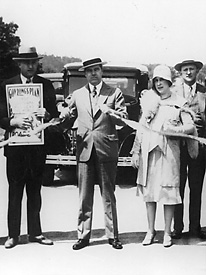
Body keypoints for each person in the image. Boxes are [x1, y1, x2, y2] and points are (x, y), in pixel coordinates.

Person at [60, 57, 128, 250]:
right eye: (89, 71)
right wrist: (61, 115)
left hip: (106, 149)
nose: (93, 74)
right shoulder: (78, 94)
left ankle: (112, 235)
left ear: (101, 71)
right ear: (85, 74)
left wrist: (113, 113)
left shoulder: (114, 93)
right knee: (84, 196)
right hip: (84, 150)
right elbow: (67, 116)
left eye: (96, 70)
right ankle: (83, 235)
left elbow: (124, 120)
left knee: (108, 195)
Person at [0, 46, 59, 249]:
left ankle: (35, 232)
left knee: (35, 191)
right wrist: (12, 122)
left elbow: (55, 116)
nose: (31, 66)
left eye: (34, 62)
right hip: (15, 148)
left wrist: (48, 115)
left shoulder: (46, 85)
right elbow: (0, 117)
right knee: (15, 192)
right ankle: (13, 235)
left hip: (36, 148)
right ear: (19, 64)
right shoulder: (7, 86)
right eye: (27, 63)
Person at [131, 65, 195, 247]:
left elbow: (191, 126)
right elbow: (140, 129)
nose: (159, 84)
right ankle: (150, 231)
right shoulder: (149, 101)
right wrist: (136, 151)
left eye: (162, 80)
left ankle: (167, 232)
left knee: (168, 193)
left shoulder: (179, 102)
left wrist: (176, 129)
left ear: (169, 82)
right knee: (150, 194)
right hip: (149, 153)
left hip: (170, 155)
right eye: (156, 80)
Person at [172, 60, 206, 239]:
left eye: (191, 69)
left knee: (196, 187)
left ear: (197, 71)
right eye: (185, 70)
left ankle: (195, 228)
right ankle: (177, 227)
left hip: (199, 147)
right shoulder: (173, 92)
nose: (188, 72)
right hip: (178, 146)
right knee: (178, 187)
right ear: (180, 73)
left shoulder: (203, 91)